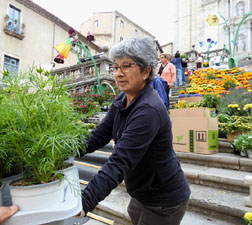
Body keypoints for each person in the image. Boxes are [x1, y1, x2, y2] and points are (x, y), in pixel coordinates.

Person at [78, 37, 190, 225]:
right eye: (116, 67)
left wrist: (84, 201)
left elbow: (120, 161)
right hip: (141, 193)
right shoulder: (123, 99)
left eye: (126, 66)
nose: (118, 74)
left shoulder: (149, 110)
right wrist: (63, 150)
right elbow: (98, 135)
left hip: (164, 199)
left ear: (146, 71)